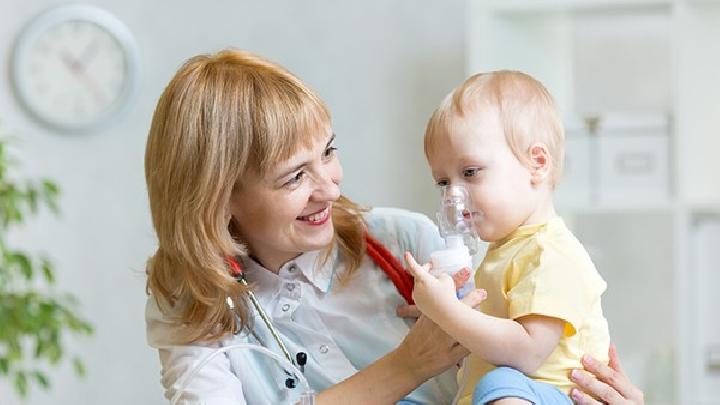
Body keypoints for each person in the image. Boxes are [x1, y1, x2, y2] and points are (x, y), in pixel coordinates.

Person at [143, 49, 644, 404]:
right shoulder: (196, 304)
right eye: (295, 176)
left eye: (329, 153)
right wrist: (410, 363)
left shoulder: (404, 242)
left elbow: (534, 358)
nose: (331, 189)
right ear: (221, 196)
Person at [405, 70, 610, 405]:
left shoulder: (550, 253)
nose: (453, 196)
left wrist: (447, 313)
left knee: (499, 382)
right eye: (443, 182)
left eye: (470, 173)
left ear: (537, 164)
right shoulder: (506, 251)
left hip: (553, 396)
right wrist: (444, 315)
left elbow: (527, 353)